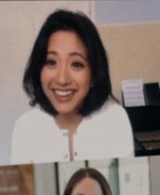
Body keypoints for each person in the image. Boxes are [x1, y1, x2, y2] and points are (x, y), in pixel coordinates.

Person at [9, 9, 136, 164]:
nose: (62, 79)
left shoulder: (114, 119)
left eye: (76, 64)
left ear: (94, 75)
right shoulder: (26, 127)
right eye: (51, 62)